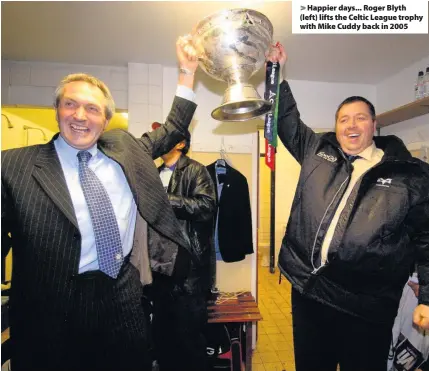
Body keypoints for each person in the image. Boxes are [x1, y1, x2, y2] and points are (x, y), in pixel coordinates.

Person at [1, 36, 199, 371]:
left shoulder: (125, 151)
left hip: (120, 299)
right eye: (70, 104)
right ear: (57, 111)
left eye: (92, 108)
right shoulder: (13, 167)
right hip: (49, 311)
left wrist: (187, 71)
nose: (80, 115)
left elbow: (172, 128)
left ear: (105, 120)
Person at [266, 43, 429, 371]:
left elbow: (426, 239)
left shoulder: (409, 174)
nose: (351, 126)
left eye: (360, 119)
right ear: (336, 126)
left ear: (373, 125)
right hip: (309, 292)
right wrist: (276, 72)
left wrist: (427, 297)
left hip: (365, 306)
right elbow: (287, 122)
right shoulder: (318, 153)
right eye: (343, 119)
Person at [147, 130, 216, 371]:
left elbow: (207, 206)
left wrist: (166, 199)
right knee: (164, 338)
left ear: (181, 143)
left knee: (189, 340)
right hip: (159, 267)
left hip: (188, 269)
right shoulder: (153, 173)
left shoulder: (196, 170)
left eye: (165, 137)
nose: (158, 142)